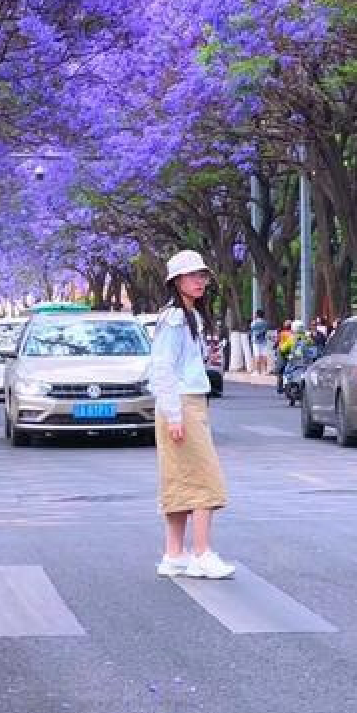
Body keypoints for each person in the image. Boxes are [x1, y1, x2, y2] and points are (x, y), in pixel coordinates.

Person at [149, 249, 234, 581]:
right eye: (191, 276)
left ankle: (174, 555)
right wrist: (174, 415)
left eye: (202, 275)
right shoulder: (174, 319)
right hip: (181, 403)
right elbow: (162, 368)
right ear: (176, 281)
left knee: (180, 480)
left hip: (187, 402)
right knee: (204, 479)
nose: (199, 281)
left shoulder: (190, 316)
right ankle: (201, 553)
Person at [275, 320, 295, 394]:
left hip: (282, 353)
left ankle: (279, 388)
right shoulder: (293, 334)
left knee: (280, 371)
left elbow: (277, 342)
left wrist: (275, 346)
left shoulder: (281, 333)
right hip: (291, 353)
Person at [250, 309, 269, 376]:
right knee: (264, 356)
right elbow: (266, 330)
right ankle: (265, 371)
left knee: (257, 356)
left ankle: (257, 371)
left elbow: (251, 328)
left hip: (256, 341)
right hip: (264, 341)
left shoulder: (254, 323)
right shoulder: (265, 323)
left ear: (257, 315)